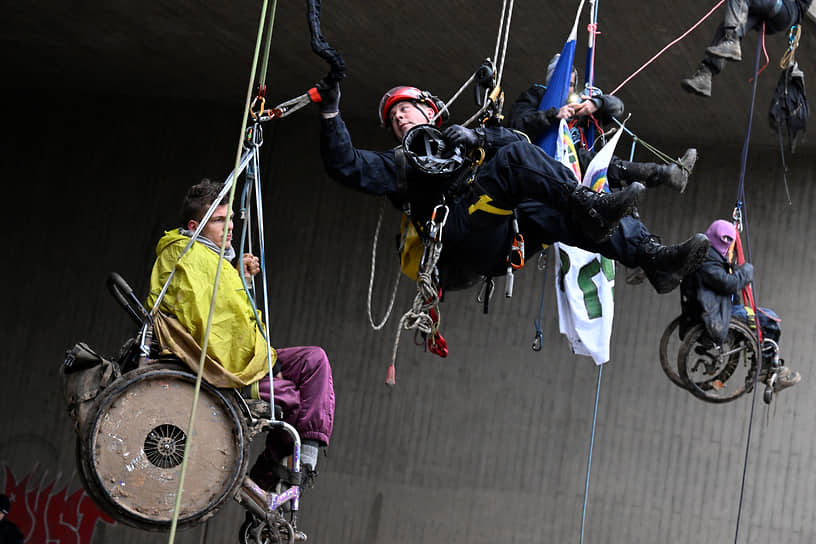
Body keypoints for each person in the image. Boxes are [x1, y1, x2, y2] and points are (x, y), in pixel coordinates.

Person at [315, 80, 710, 296]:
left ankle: (652, 258)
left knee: (547, 207)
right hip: (458, 238)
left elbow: (516, 141)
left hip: (501, 235)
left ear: (431, 110)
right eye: (393, 117)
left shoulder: (462, 138)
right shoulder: (398, 163)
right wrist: (331, 113)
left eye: (405, 108)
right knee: (518, 165)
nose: (399, 117)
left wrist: (477, 137)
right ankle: (589, 206)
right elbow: (346, 166)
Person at [146, 179, 335, 492]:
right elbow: (205, 324)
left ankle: (307, 456)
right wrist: (255, 364)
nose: (230, 226)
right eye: (220, 220)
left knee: (314, 359)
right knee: (295, 398)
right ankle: (268, 474)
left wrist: (241, 280)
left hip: (249, 358)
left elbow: (226, 314)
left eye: (231, 218)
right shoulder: (187, 257)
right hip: (224, 368)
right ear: (195, 226)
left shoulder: (213, 259)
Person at [510, 54, 698, 193]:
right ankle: (665, 174)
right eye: (563, 82)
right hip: (547, 159)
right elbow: (517, 123)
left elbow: (618, 108)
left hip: (580, 170)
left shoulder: (578, 105)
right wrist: (554, 115)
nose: (567, 89)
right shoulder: (536, 95)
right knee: (596, 162)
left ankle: (668, 175)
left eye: (571, 84)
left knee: (605, 165)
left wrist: (596, 103)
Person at [679, 219, 801, 392]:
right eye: (725, 240)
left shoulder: (708, 255)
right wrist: (746, 271)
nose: (727, 243)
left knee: (763, 316)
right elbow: (728, 283)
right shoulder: (706, 259)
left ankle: (763, 365)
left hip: (717, 308)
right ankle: (765, 367)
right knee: (769, 319)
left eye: (730, 240)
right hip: (717, 313)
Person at [682, 0, 814, 97]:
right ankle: (706, 74)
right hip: (778, 14)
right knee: (729, 22)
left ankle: (732, 39)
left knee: (734, 22)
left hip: (785, 8)